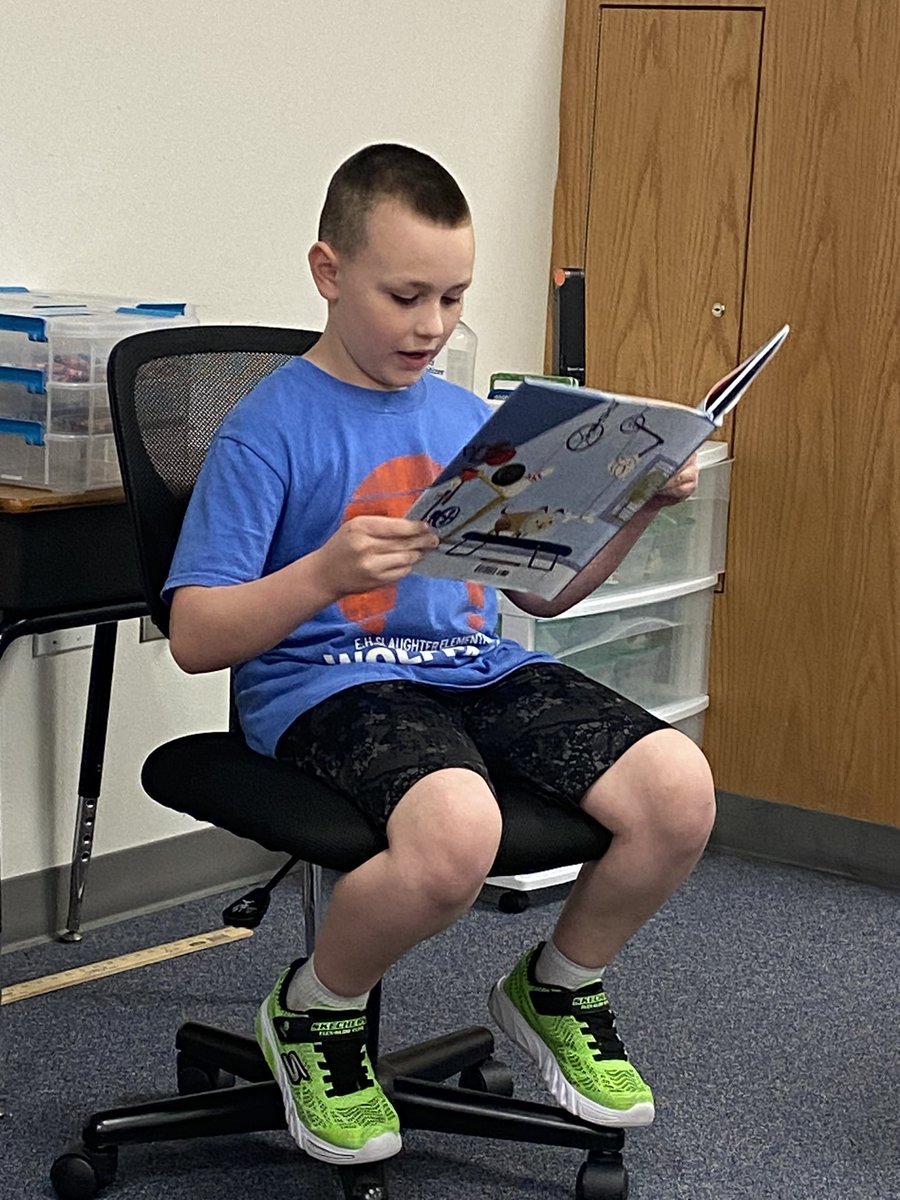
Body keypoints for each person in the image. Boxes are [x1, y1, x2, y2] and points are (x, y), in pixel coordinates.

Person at [164, 143, 715, 1167]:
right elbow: (198, 637)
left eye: (453, 297)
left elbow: (541, 592)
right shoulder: (266, 429)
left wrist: (629, 509)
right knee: (457, 831)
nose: (431, 326)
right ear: (329, 273)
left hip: (472, 668)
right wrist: (324, 572)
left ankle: (556, 986)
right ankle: (315, 1011)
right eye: (406, 295)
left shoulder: (475, 423)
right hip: (327, 682)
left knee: (678, 788)